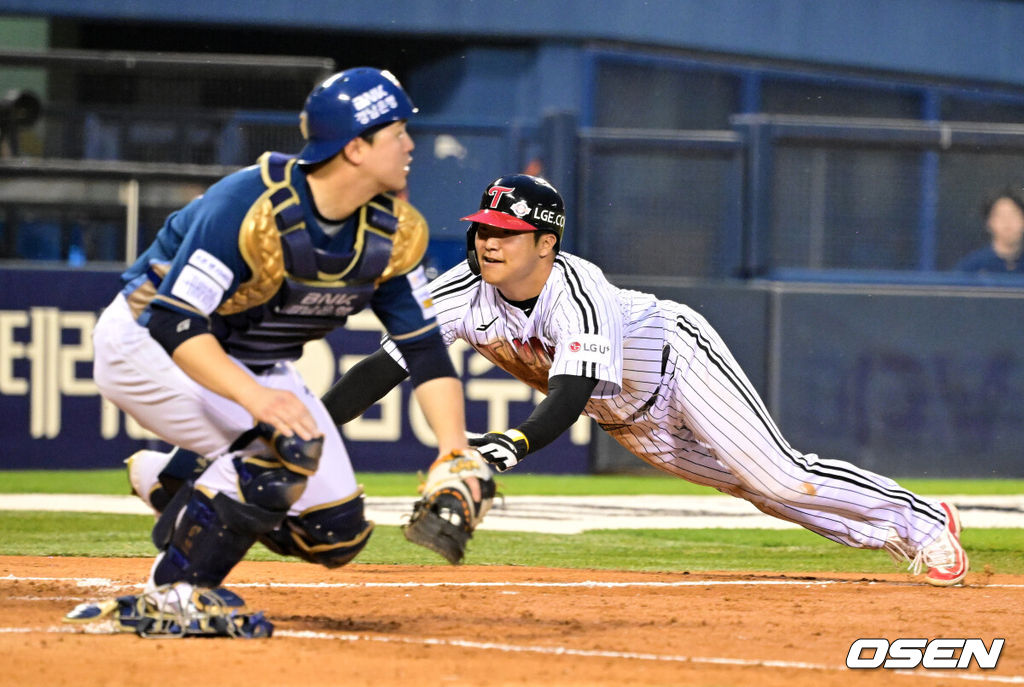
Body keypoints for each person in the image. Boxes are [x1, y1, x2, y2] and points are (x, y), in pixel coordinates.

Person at [323, 173, 969, 587]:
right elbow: (381, 369)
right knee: (762, 494)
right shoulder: (462, 292)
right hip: (628, 418)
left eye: (507, 232)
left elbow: (570, 393)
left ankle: (921, 520)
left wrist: (511, 445)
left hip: (677, 363)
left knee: (778, 473)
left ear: (545, 243)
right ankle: (901, 529)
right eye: (484, 229)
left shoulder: (580, 291)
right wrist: (309, 425)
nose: (488, 242)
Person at [76, 68, 494, 636]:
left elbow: (424, 349)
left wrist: (453, 451)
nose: (409, 144)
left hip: (252, 362)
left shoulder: (391, 231)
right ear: (355, 147)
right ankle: (173, 594)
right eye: (396, 132)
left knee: (335, 532)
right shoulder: (249, 205)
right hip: (146, 342)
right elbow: (174, 321)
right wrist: (259, 402)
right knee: (283, 445)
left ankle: (176, 479)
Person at [956, 188, 1024, 274]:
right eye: (1000, 216)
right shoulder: (972, 266)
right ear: (989, 223)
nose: (1007, 222)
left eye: (1013, 215)